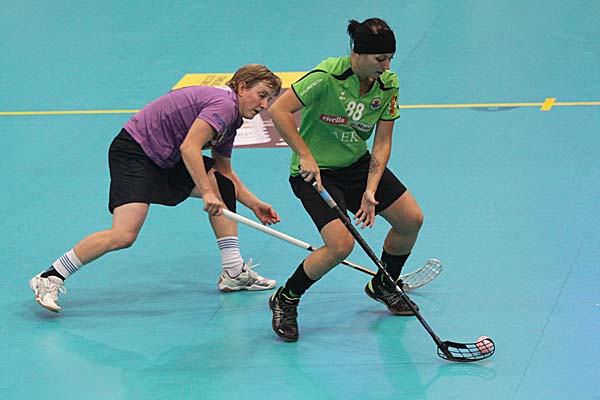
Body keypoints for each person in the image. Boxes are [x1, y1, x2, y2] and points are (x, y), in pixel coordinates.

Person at [30, 64, 283, 313]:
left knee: (222, 186)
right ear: (242, 87)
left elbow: (224, 171)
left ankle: (233, 271)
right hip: (136, 152)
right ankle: (51, 276)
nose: (264, 105)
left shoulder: (233, 119)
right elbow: (190, 148)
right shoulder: (224, 105)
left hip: (166, 157)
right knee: (123, 235)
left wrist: (254, 204)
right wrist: (206, 192)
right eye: (261, 95)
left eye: (269, 99)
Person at [267, 18, 424, 341]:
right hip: (315, 173)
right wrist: (304, 154)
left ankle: (384, 284)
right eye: (380, 59)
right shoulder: (327, 76)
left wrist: (370, 189)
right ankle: (286, 297)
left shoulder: (387, 84)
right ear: (359, 54)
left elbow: (382, 141)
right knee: (340, 245)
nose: (387, 66)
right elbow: (279, 110)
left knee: (411, 219)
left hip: (356, 165)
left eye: (390, 58)